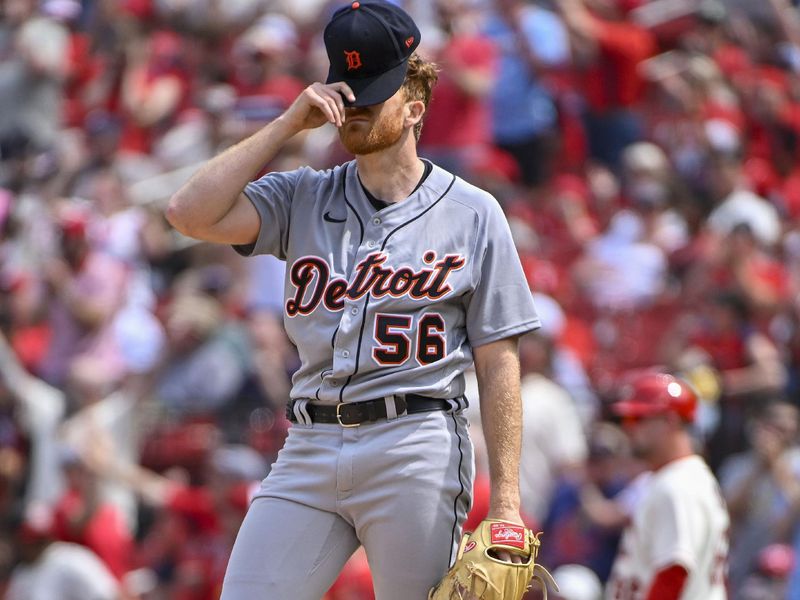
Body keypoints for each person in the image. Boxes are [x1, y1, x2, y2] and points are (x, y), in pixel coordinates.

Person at [165, 2, 541, 599]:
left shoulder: (474, 213)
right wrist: (288, 123)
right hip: (309, 440)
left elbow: (499, 362)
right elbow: (187, 213)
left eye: (373, 95)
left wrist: (510, 505)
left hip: (414, 443)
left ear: (414, 108)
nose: (354, 109)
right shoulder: (302, 196)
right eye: (348, 92)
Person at [606, 372, 730, 600]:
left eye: (637, 418)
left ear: (670, 420)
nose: (627, 427)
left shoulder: (678, 484)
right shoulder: (679, 478)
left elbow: (673, 572)